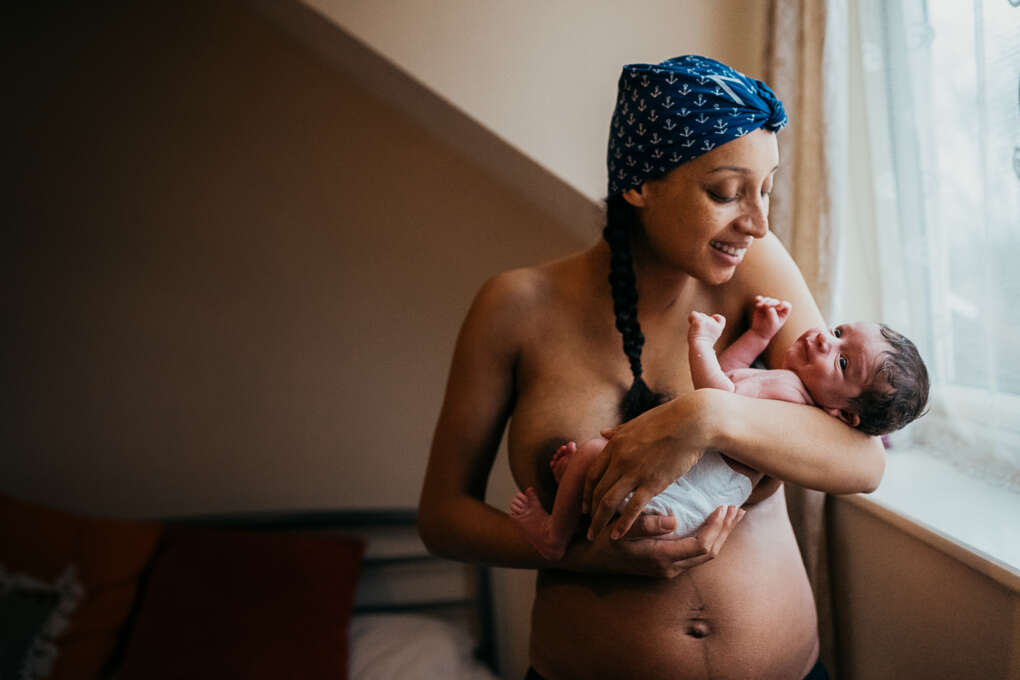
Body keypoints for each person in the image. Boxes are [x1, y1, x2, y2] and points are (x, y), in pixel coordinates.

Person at [420, 55, 887, 680]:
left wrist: (705, 416)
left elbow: (862, 461)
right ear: (640, 185)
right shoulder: (514, 308)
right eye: (725, 192)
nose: (757, 222)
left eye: (766, 189)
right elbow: (443, 517)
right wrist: (586, 558)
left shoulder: (756, 269)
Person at [509, 295, 929, 557]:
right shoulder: (791, 388)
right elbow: (732, 376)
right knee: (596, 466)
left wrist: (700, 345)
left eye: (842, 361)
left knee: (592, 454)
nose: (825, 339)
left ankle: (553, 535)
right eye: (838, 332)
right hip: (686, 496)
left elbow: (716, 396)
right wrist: (759, 336)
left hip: (685, 499)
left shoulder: (792, 400)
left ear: (846, 415)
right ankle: (580, 487)